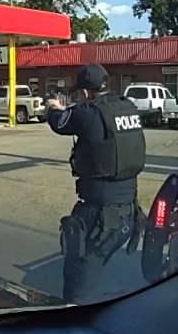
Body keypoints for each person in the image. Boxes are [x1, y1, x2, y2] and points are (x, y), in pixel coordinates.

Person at [45, 63, 146, 304]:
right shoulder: (126, 106)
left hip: (100, 219)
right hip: (128, 213)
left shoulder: (87, 113)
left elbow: (59, 121)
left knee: (77, 288)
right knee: (96, 274)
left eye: (78, 94)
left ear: (85, 93)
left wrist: (52, 107)